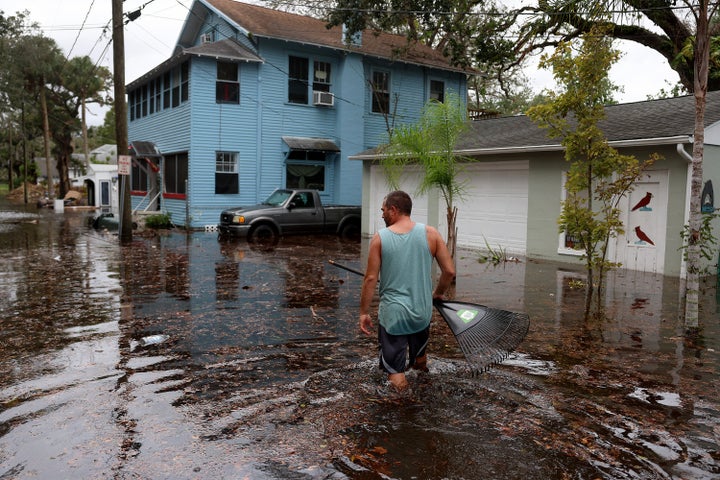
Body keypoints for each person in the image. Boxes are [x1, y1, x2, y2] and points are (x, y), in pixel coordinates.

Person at [359, 190, 456, 393]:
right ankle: (424, 394)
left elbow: (370, 279)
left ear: (394, 210)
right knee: (419, 361)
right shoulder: (432, 234)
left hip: (394, 316)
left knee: (395, 370)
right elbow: (449, 271)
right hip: (422, 312)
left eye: (383, 210)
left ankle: (406, 408)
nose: (382, 214)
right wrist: (438, 294)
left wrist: (363, 312)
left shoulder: (380, 238)